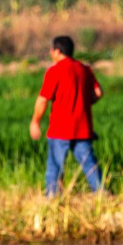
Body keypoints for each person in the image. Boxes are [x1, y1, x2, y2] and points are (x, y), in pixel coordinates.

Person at [29, 35, 105, 196]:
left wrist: (35, 122)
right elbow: (98, 92)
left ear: (57, 51)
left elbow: (43, 100)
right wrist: (83, 103)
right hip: (83, 128)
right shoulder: (84, 69)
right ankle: (101, 194)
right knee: (90, 164)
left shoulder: (55, 71)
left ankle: (52, 197)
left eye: (51, 50)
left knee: (55, 166)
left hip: (59, 129)